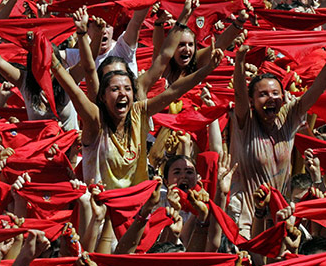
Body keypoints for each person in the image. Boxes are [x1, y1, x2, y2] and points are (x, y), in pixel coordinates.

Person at [51, 39, 223, 189]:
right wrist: (52, 60)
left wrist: (207, 69)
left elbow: (174, 91)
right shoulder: (96, 122)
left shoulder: (139, 112)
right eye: (114, 89)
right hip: (100, 216)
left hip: (136, 212)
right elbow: (74, 90)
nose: (122, 93)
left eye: (127, 88)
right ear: (102, 96)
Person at [228, 31, 326, 237]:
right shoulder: (244, 123)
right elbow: (239, 94)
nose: (271, 98)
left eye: (275, 93)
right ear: (252, 102)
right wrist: (239, 60)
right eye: (263, 94)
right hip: (245, 220)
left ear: (283, 97)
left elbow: (317, 90)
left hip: (281, 216)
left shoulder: (288, 117)